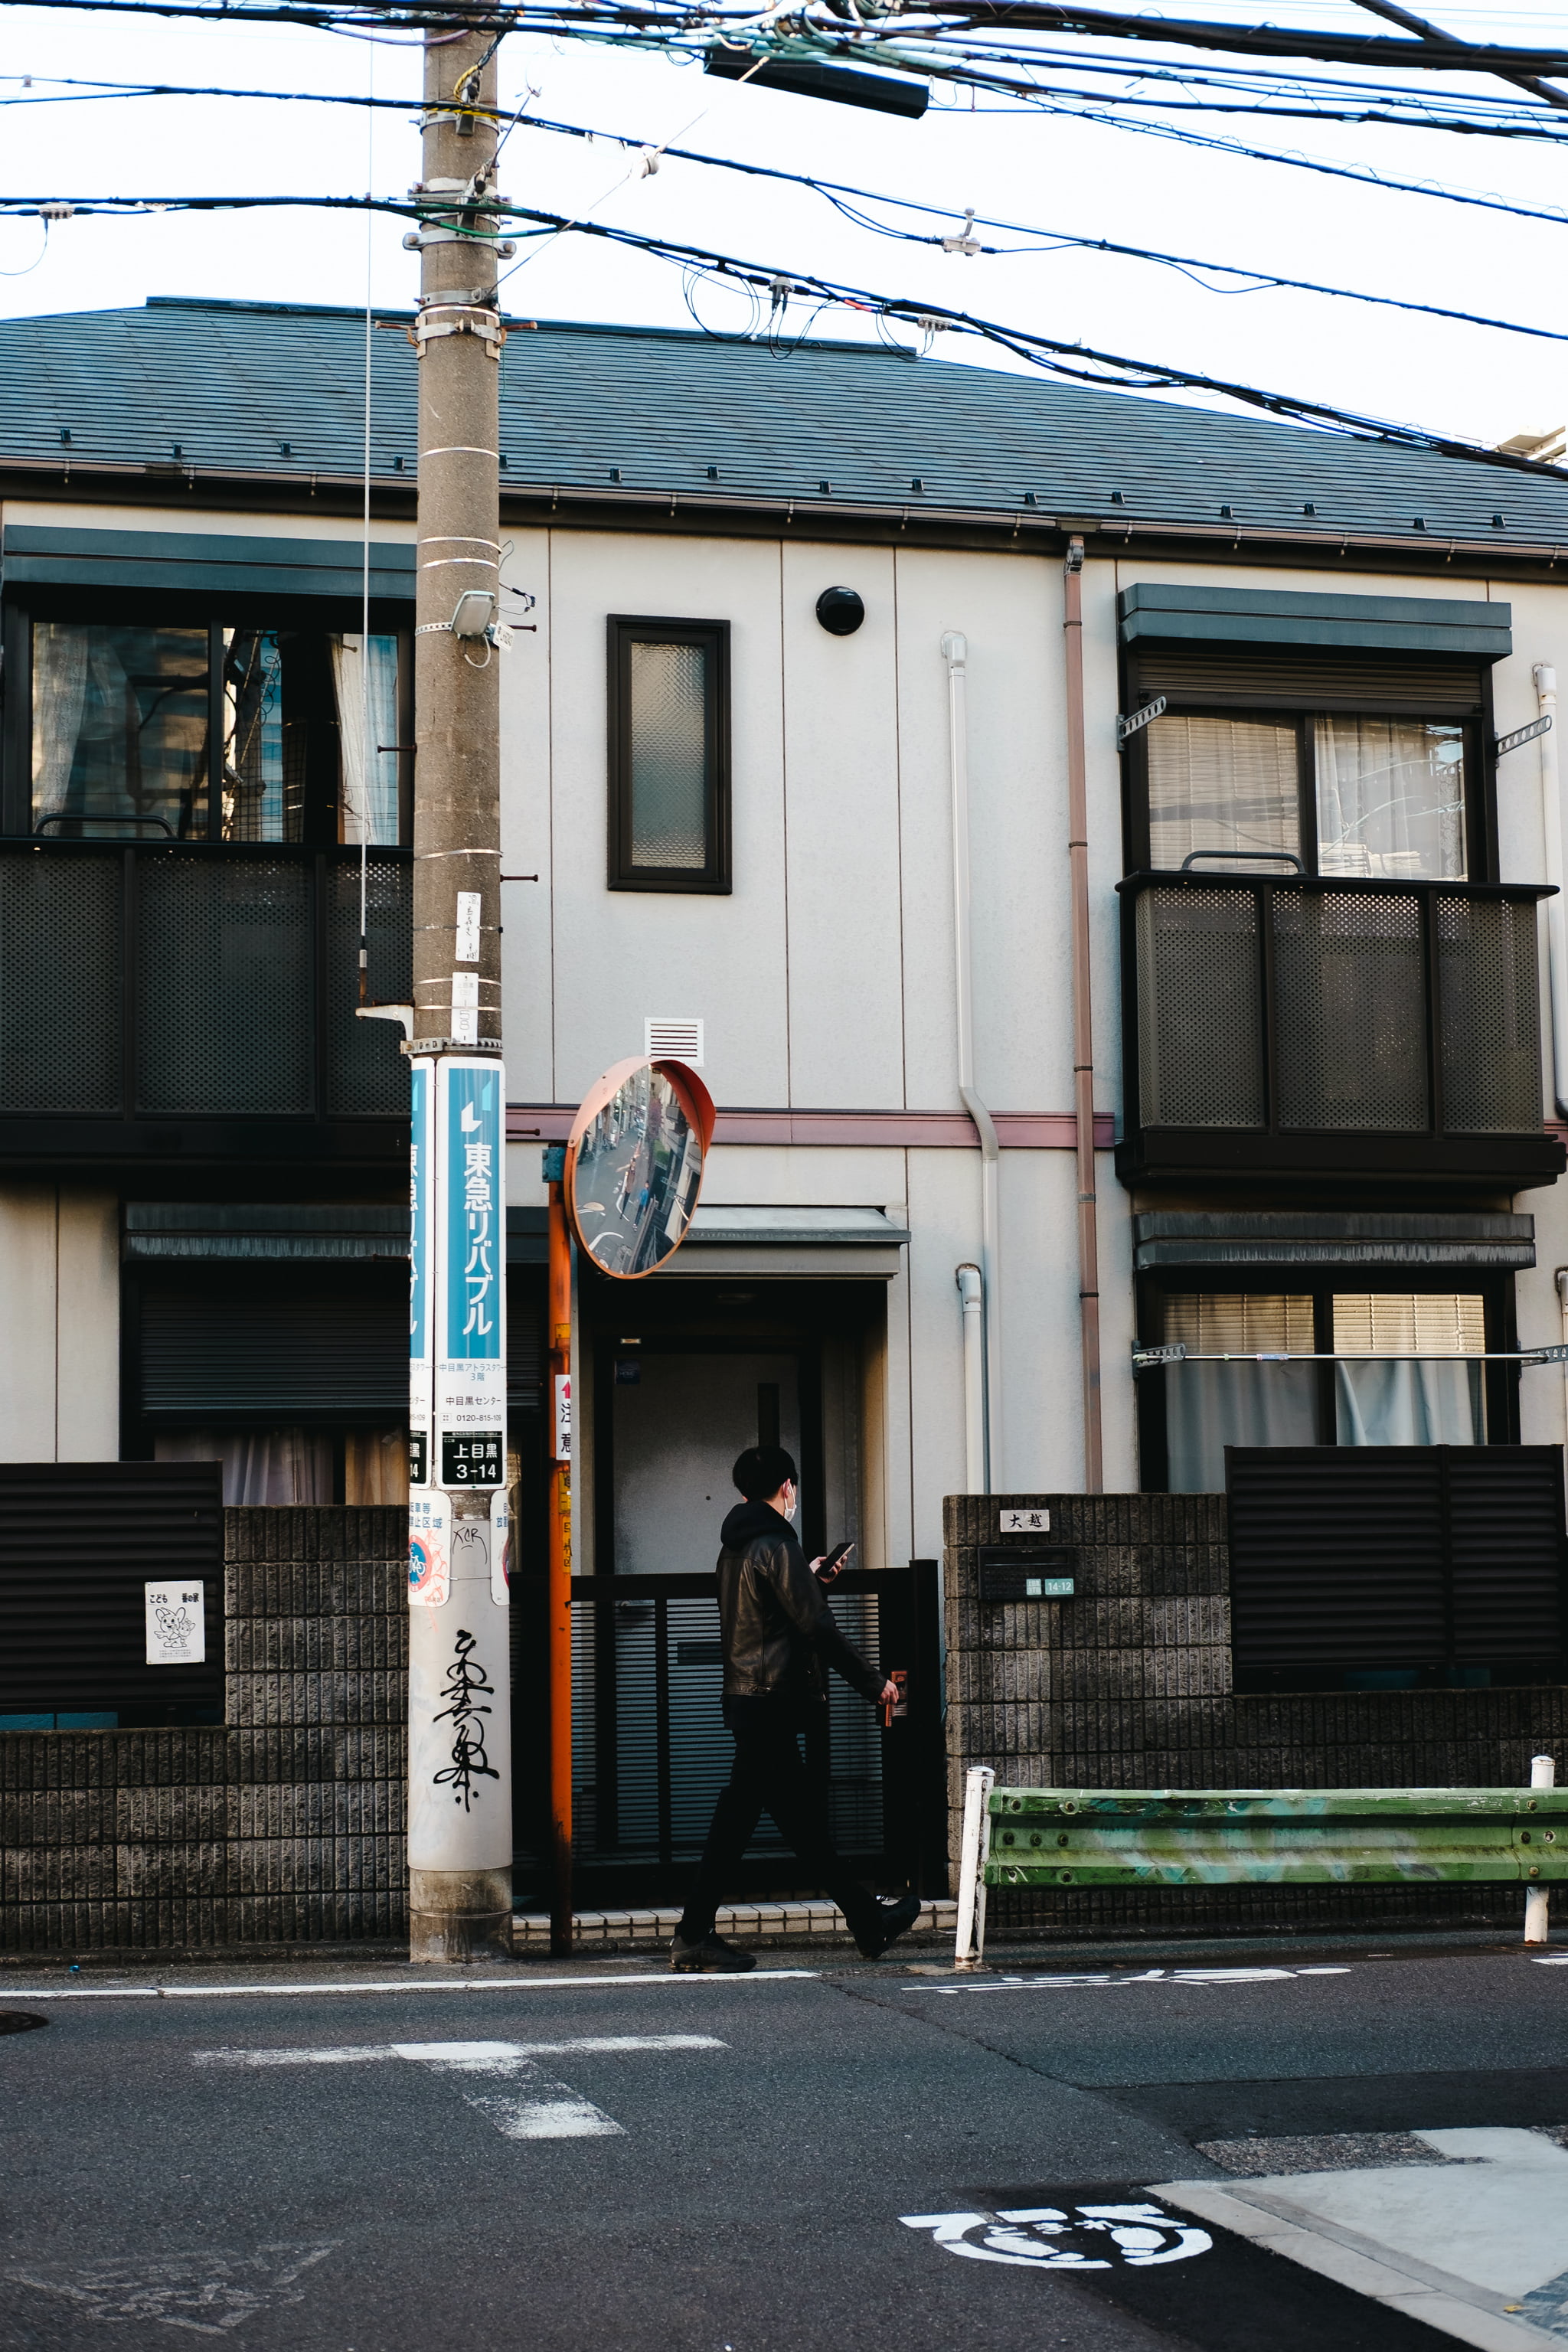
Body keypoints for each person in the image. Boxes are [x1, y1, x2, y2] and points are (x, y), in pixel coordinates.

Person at [671, 1443, 923, 1975]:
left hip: (748, 1698)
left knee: (800, 1825)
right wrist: (872, 1681)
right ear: (787, 1487)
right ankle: (693, 1935)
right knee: (736, 1820)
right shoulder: (777, 1542)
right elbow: (817, 1628)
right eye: (794, 1489)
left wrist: (807, 1577)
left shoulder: (736, 1546)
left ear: (744, 1491)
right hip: (772, 1703)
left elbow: (769, 1613)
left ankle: (866, 1921)